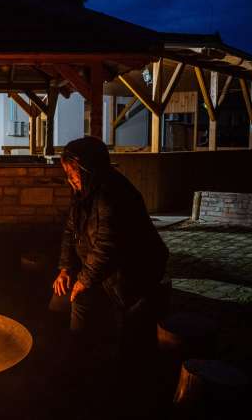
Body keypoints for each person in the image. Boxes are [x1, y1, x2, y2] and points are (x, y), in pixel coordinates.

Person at [50, 136, 169, 361]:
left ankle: (81, 358)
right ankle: (64, 346)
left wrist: (84, 281)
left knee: (82, 302)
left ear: (88, 169)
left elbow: (107, 245)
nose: (70, 180)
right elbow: (70, 230)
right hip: (101, 268)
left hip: (132, 271)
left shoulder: (112, 194)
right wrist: (65, 268)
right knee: (61, 295)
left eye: (73, 173)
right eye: (67, 173)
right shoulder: (84, 192)